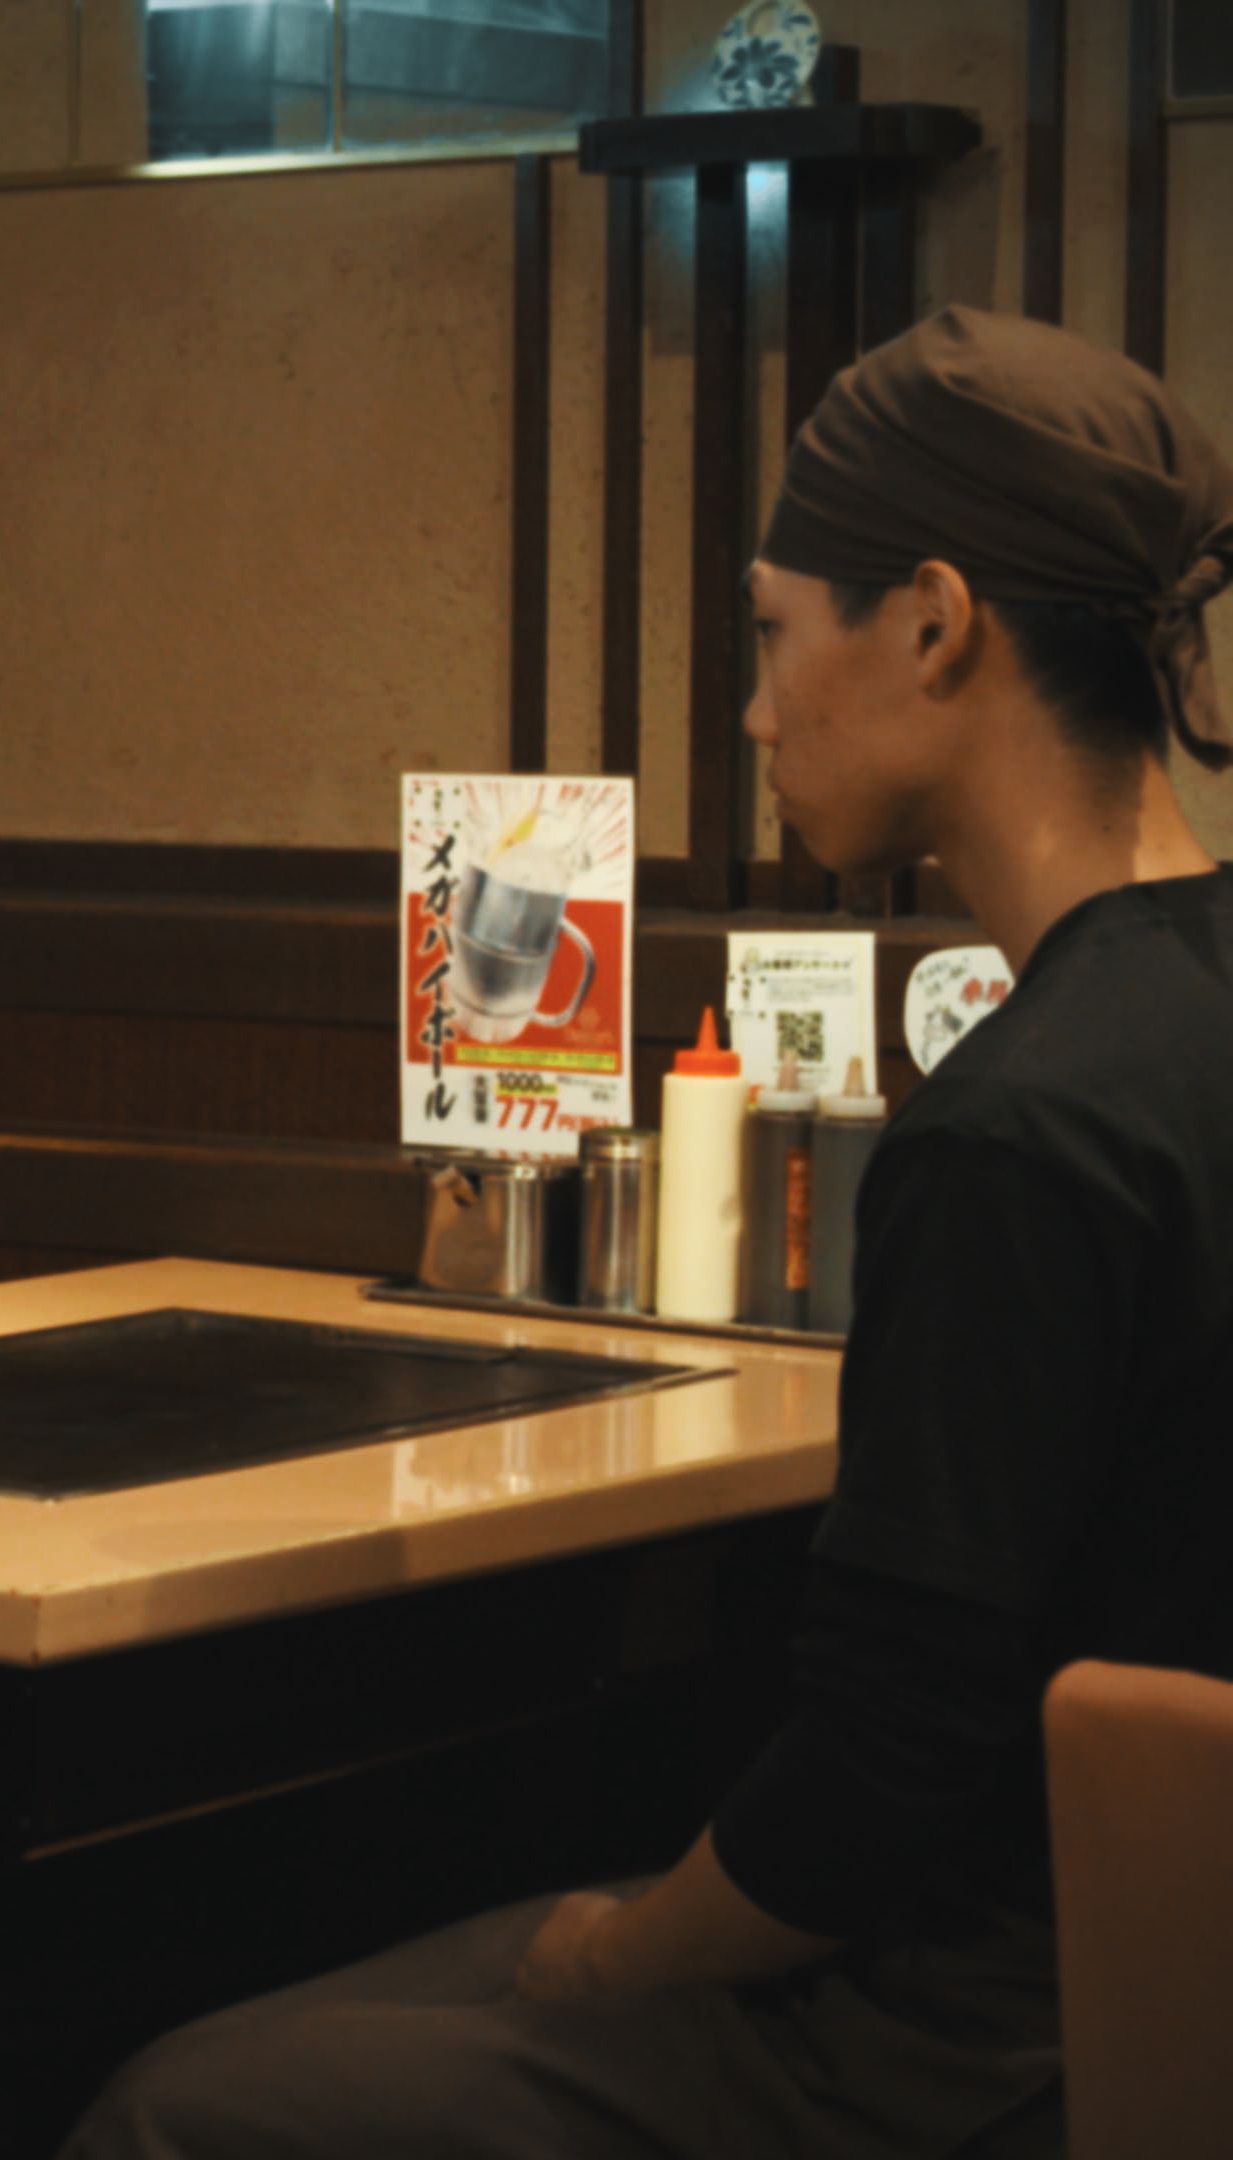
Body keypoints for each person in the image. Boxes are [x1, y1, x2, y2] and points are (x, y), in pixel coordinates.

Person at [63, 308, 1233, 2158]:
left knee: (179, 2105)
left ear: (934, 626)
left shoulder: (1021, 1131)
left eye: (771, 635)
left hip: (979, 2048)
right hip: (1166, 1985)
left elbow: (869, 1791)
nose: (756, 712)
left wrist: (616, 1957)